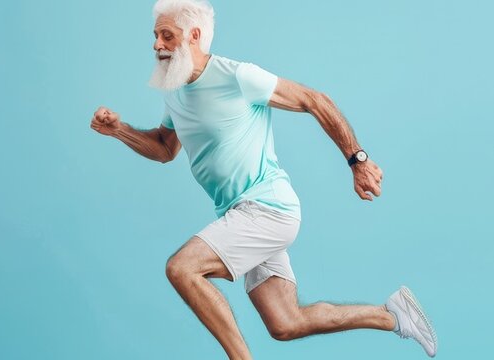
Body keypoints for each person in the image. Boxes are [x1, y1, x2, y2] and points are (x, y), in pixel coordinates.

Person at [89, 0, 437, 358]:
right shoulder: (175, 90)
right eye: (155, 36)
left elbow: (314, 100)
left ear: (194, 36)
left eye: (167, 36)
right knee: (285, 323)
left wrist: (357, 160)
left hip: (267, 208)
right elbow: (164, 148)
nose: (157, 45)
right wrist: (119, 130)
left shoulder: (236, 76)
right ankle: (391, 315)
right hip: (240, 214)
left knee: (182, 269)